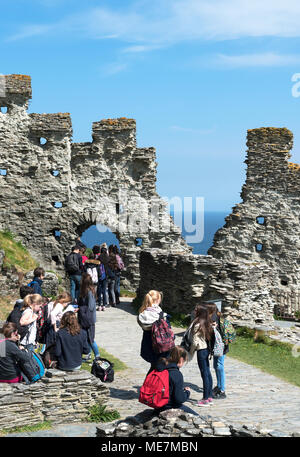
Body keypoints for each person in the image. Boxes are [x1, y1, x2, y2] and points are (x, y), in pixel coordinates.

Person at [154, 346, 198, 416]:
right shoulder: (176, 374)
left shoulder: (159, 367)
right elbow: (179, 399)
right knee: (197, 416)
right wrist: (187, 392)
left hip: (157, 405)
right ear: (181, 359)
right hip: (169, 406)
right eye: (184, 361)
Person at [137, 290, 171, 374]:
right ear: (157, 300)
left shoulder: (143, 315)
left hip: (148, 344)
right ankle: (152, 385)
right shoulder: (161, 315)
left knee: (153, 366)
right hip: (160, 344)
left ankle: (149, 385)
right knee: (160, 368)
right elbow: (168, 330)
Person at [189, 304, 214, 407]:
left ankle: (205, 399)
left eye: (196, 309)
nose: (194, 310)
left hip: (201, 350)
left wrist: (190, 353)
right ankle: (209, 396)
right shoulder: (207, 322)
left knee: (204, 374)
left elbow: (195, 341)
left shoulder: (198, 324)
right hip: (206, 349)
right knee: (207, 373)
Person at [206, 303, 228, 400]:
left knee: (219, 366)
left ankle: (222, 390)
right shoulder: (218, 316)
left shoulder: (214, 317)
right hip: (220, 347)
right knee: (217, 366)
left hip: (220, 347)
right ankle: (219, 386)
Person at [78, 273, 100, 361]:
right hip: (85, 318)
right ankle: (88, 354)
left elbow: (90, 306)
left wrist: (80, 308)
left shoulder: (90, 292)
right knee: (86, 338)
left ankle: (97, 356)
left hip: (89, 319)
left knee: (91, 339)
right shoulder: (85, 291)